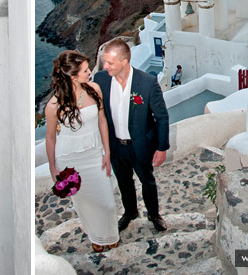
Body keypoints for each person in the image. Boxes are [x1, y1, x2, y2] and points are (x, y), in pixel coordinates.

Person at [45, 50, 119, 252]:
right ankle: (97, 237)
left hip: (94, 153)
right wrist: (53, 168)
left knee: (107, 203)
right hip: (69, 159)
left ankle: (110, 234)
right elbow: (51, 138)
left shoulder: (94, 89)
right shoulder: (53, 105)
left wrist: (107, 152)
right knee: (85, 203)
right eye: (86, 70)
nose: (90, 72)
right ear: (72, 75)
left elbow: (102, 119)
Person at [93, 39, 170, 232]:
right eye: (105, 62)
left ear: (124, 62)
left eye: (110, 63)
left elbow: (161, 117)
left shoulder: (147, 83)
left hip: (141, 145)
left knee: (147, 181)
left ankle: (154, 214)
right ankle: (130, 212)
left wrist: (161, 148)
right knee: (124, 182)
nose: (105, 66)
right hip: (117, 146)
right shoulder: (101, 80)